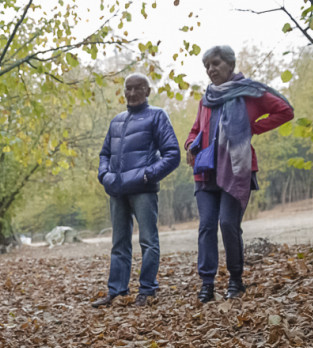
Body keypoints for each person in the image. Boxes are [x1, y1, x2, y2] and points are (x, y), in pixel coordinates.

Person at [185, 46, 294, 303]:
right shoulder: (207, 98)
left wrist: (251, 128)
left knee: (228, 224)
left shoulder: (249, 92)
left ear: (230, 64)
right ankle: (207, 284)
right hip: (205, 172)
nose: (211, 69)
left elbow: (285, 111)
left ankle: (236, 280)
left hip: (236, 169)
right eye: (207, 66)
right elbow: (195, 130)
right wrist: (190, 144)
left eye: (216, 63)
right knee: (207, 226)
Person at [92, 73, 180, 308]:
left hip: (143, 190)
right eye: (127, 89)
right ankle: (117, 291)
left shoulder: (157, 116)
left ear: (148, 91)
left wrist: (148, 174)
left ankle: (147, 289)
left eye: (137, 88)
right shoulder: (117, 121)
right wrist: (104, 175)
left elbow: (172, 154)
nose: (131, 93)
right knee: (119, 242)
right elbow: (104, 154)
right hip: (117, 190)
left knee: (148, 241)